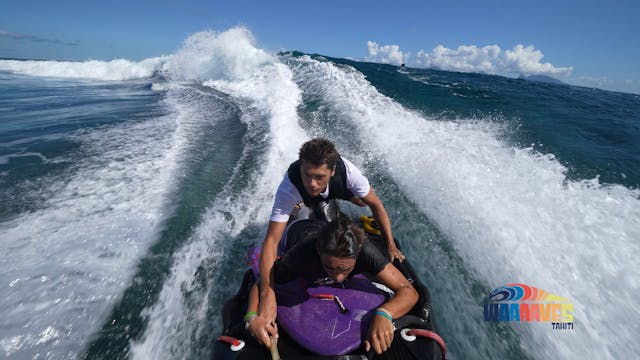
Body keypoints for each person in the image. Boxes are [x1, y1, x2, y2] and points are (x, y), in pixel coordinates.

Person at [257, 138, 405, 347]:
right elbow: (271, 241)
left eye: (319, 177)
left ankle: (335, 197)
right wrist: (267, 293)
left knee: (359, 201)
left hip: (341, 189)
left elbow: (376, 206)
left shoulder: (350, 174)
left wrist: (390, 245)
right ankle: (297, 210)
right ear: (301, 167)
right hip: (300, 210)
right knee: (310, 212)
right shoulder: (289, 186)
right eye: (307, 175)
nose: (312, 182)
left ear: (332, 171)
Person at [246, 218, 418, 355]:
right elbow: (262, 283)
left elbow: (408, 291)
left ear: (358, 257)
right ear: (319, 254)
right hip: (296, 231)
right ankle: (294, 213)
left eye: (345, 269)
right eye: (329, 267)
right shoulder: (302, 256)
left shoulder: (365, 251)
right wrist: (252, 318)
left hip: (324, 228)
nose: (337, 277)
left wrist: (384, 314)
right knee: (294, 224)